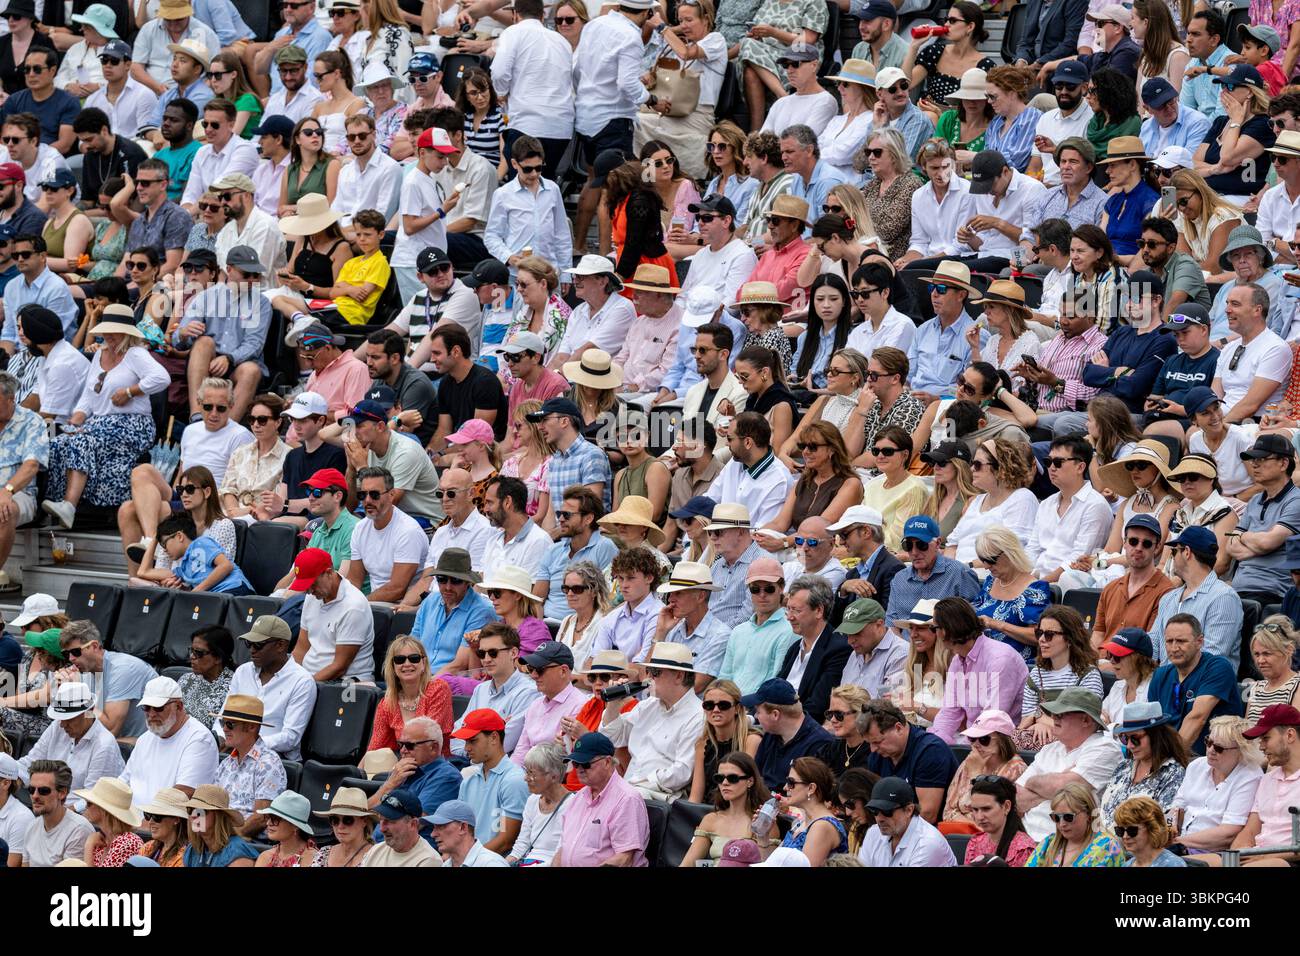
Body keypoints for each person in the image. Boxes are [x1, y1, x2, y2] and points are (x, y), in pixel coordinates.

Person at [1015, 688, 1124, 840]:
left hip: (1068, 843)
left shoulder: (1105, 748)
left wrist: (1033, 783)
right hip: (1024, 839)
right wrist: (1057, 783)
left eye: (1061, 714)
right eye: (1053, 713)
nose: (1053, 717)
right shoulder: (1049, 749)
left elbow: (1064, 788)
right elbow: (1017, 799)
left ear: (1085, 720)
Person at [219, 615, 318, 762]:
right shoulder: (243, 671)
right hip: (235, 750)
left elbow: (290, 738)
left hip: (276, 758)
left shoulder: (302, 681)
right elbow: (223, 716)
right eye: (249, 643)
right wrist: (220, 738)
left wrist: (247, 744)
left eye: (258, 645)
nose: (252, 650)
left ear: (281, 645)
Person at [16, 682, 122, 807]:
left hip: (77, 817)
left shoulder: (104, 745)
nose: (62, 724)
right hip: (50, 807)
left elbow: (93, 800)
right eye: (61, 718)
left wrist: (61, 815)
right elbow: (29, 763)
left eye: (69, 718)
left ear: (89, 711)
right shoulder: (57, 726)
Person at [552, 731, 649, 868]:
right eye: (575, 764)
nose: (579, 769)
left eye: (585, 764)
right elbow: (565, 848)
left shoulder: (627, 799)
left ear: (607, 762)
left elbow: (624, 859)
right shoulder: (578, 797)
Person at [120, 675, 220, 805]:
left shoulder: (199, 739)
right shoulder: (145, 738)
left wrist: (150, 819)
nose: (151, 714)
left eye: (158, 708)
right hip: (133, 818)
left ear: (178, 706)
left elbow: (184, 793)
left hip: (165, 821)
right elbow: (124, 782)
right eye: (146, 708)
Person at [861, 698, 958, 823]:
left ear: (898, 728)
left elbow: (927, 814)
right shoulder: (878, 755)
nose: (873, 749)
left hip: (928, 834)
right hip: (894, 828)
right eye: (869, 743)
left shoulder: (930, 750)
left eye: (877, 742)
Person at [343, 404, 443, 523]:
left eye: (359, 426)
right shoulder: (365, 449)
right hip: (394, 517)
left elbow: (385, 505)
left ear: (380, 426)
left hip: (424, 520)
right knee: (343, 522)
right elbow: (349, 508)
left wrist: (361, 466)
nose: (353, 432)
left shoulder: (406, 452)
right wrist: (351, 469)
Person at [1100, 699, 1191, 829]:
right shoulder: (1123, 767)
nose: (1129, 745)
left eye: (1135, 739)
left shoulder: (1173, 773)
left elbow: (1164, 825)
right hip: (1099, 843)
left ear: (1155, 736)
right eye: (1125, 738)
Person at [1194, 65, 1275, 206]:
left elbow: (1228, 156)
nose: (1224, 92)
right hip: (1209, 193)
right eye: (1223, 86)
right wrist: (1215, 169)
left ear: (1249, 92)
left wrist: (1236, 120)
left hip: (1240, 197)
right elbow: (1194, 165)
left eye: (1230, 86)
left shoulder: (1262, 124)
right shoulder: (1220, 122)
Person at [882, 517, 981, 631]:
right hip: (906, 646)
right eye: (908, 545)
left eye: (922, 545)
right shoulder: (899, 579)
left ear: (938, 543)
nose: (914, 552)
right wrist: (905, 649)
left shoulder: (960, 573)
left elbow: (974, 622)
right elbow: (891, 625)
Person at [774, 577, 849, 723]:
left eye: (796, 610)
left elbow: (818, 706)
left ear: (819, 611)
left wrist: (775, 720)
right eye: (788, 609)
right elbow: (776, 688)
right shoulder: (794, 649)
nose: (789, 617)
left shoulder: (838, 649)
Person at [210, 694, 284, 834]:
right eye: (223, 723)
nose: (224, 729)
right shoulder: (226, 763)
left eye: (230, 724)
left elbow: (261, 818)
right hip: (219, 836)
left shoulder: (268, 763)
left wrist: (224, 838)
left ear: (251, 727)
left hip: (245, 841)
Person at [746, 678, 835, 791]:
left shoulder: (820, 743)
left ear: (775, 715)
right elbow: (756, 777)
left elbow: (810, 795)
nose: (756, 717)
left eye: (758, 712)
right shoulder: (771, 733)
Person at [943, 708, 1029, 823]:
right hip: (961, 834)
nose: (976, 744)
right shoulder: (968, 763)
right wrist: (971, 826)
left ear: (1002, 740)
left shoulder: (1016, 769)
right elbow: (948, 812)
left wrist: (975, 775)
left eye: (984, 739)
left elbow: (994, 818)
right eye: (972, 738)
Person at [368, 715, 460, 819]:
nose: (403, 750)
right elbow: (364, 815)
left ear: (433, 747)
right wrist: (389, 785)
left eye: (409, 745)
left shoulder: (446, 777)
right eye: (400, 744)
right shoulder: (401, 772)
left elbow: (414, 823)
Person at [856, 775, 956, 866]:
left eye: (887, 811)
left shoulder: (927, 844)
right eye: (875, 811)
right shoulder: (873, 833)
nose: (879, 818)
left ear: (909, 810)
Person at [1024, 782, 1125, 866]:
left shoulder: (1107, 847)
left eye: (1068, 817)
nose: (1062, 824)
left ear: (1088, 815)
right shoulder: (1048, 844)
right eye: (1056, 817)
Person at [16, 759, 94, 866]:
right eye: (31, 789)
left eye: (44, 791)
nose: (35, 796)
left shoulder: (78, 830)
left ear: (62, 793)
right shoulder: (32, 826)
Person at [860, 426, 927, 550]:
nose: (880, 456)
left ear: (905, 455)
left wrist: (858, 545)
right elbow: (857, 521)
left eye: (887, 451)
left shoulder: (914, 489)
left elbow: (897, 541)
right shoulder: (873, 485)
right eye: (876, 451)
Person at [837, 596, 906, 699]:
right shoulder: (856, 653)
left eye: (856, 632)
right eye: (847, 634)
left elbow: (888, 708)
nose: (850, 641)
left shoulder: (901, 653)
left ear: (879, 624)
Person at [362, 789, 442, 867]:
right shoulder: (375, 851)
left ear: (413, 824)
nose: (382, 829)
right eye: (381, 820)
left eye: (390, 821)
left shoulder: (428, 860)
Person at [1245, 617, 1300, 718]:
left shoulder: (1297, 686)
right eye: (1257, 654)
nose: (1260, 660)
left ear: (1289, 650)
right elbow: (1247, 731)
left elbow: (1295, 732)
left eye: (1267, 653)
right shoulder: (1255, 689)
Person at [308, 787, 375, 868]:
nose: (340, 826)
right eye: (334, 820)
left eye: (348, 820)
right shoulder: (324, 853)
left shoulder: (375, 857)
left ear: (364, 821)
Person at [136, 787, 190, 867]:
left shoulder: (185, 857)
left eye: (157, 816)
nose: (151, 821)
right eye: (148, 815)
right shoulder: (148, 847)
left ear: (176, 820)